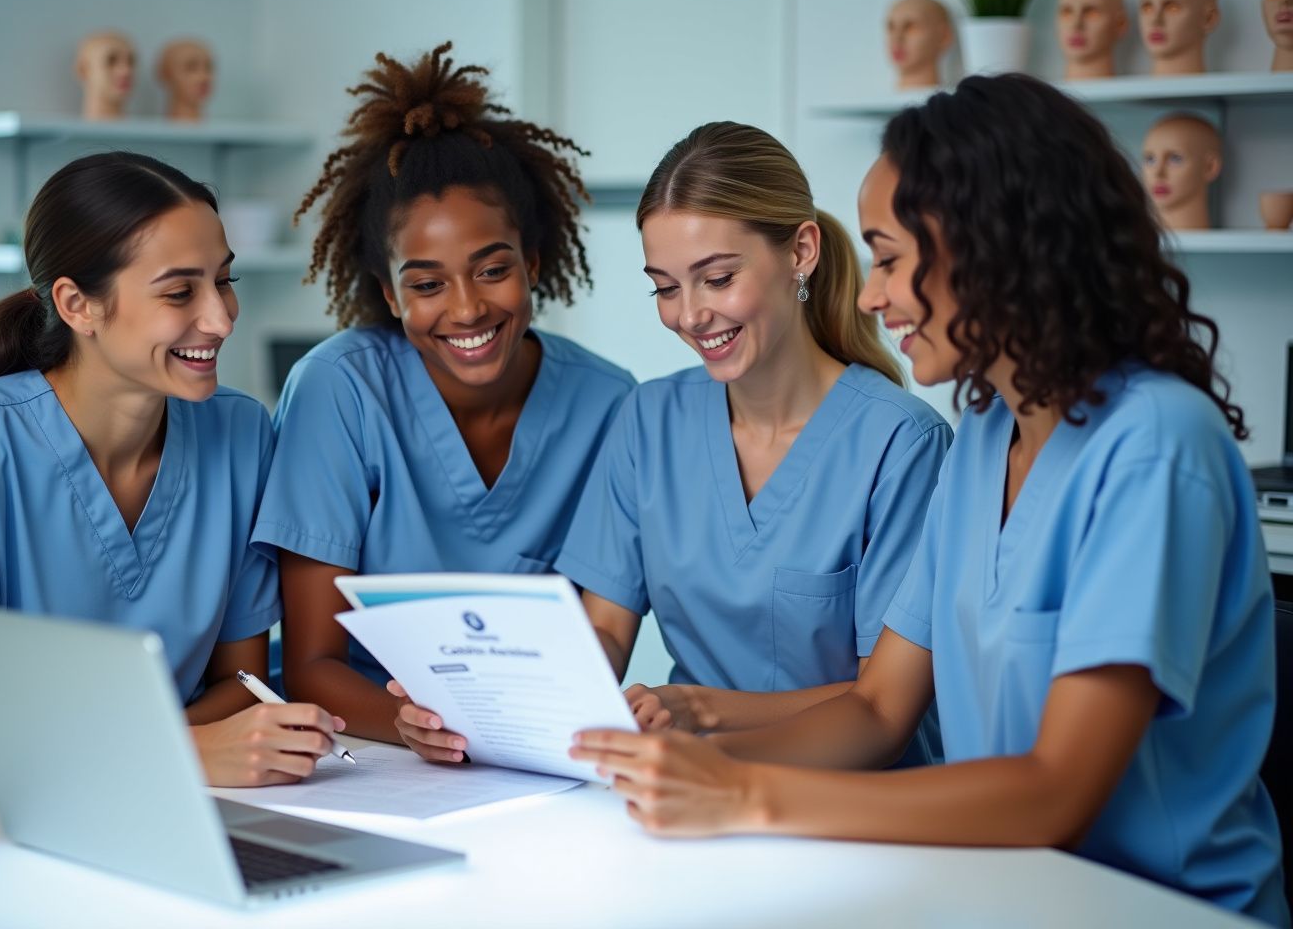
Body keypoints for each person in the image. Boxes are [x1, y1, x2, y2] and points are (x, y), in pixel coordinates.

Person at [571, 76, 1288, 927]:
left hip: (1160, 910)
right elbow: (878, 709)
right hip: (999, 894)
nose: (870, 295)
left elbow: (1057, 793)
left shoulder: (1157, 445)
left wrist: (745, 793)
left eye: (890, 259)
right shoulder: (985, 439)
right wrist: (700, 767)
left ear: (995, 249)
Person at [397, 121, 949, 763]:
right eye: (664, 287)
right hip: (679, 785)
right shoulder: (650, 419)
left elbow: (881, 705)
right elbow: (603, 632)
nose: (689, 315)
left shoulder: (901, 444)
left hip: (844, 794)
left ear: (801, 251)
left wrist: (700, 715)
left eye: (718, 279)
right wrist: (473, 702)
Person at [0, 152, 343, 793]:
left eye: (225, 281)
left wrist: (163, 760)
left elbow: (240, 684)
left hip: (139, 802)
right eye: (179, 292)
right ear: (77, 304)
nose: (221, 319)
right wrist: (180, 753)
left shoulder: (241, 433)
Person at [252, 43, 635, 744]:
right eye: (427, 284)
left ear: (533, 264)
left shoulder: (608, 404)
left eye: (492, 270)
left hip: (527, 743)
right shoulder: (340, 390)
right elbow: (310, 667)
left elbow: (595, 648)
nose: (466, 309)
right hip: (362, 743)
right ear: (388, 295)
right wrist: (413, 725)